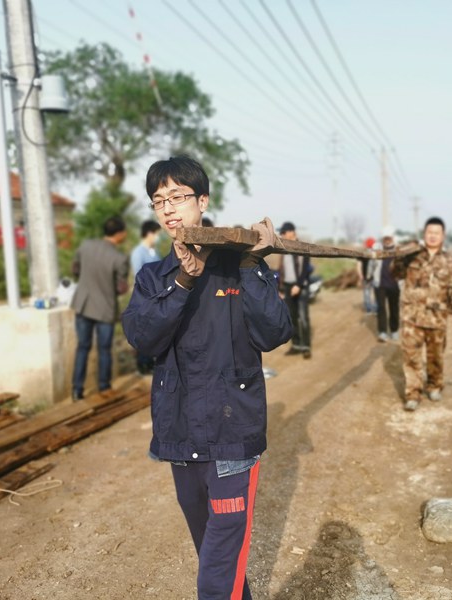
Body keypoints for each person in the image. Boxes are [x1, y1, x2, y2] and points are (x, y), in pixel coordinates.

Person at [122, 156, 292, 600]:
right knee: (216, 556)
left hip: (232, 434)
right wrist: (182, 281)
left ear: (203, 201)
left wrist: (253, 265)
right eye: (159, 200)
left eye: (178, 197)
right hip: (180, 435)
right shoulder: (154, 277)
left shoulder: (238, 266)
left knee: (217, 569)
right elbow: (143, 337)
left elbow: (274, 332)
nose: (169, 208)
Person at [392, 216, 452, 411]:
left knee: (436, 357)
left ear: (443, 236)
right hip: (412, 316)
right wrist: (398, 256)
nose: (432, 236)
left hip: (437, 317)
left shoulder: (450, 261)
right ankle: (413, 393)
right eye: (429, 232)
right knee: (411, 357)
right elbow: (395, 274)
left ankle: (434, 385)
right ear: (424, 234)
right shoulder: (411, 256)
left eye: (436, 233)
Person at [70, 216, 130, 401]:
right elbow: (121, 288)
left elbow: (75, 270)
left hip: (83, 304)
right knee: (104, 349)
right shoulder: (120, 258)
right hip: (105, 308)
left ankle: (77, 390)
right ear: (120, 234)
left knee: (82, 347)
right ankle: (104, 387)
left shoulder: (85, 246)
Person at [130, 220, 162, 374]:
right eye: (157, 234)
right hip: (145, 297)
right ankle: (143, 364)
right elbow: (138, 275)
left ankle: (151, 363)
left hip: (156, 296)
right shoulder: (138, 253)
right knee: (144, 331)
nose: (158, 237)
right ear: (149, 233)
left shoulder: (154, 252)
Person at [277, 221, 312, 359]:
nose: (282, 235)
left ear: (292, 232)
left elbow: (305, 269)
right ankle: (296, 345)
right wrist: (281, 288)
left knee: (303, 318)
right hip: (287, 286)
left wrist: (298, 285)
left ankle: (306, 346)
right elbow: (282, 270)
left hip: (300, 286)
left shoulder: (302, 247)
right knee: (291, 318)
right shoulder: (284, 248)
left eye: (284, 232)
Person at [371, 232, 400, 342]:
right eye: (385, 238)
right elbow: (371, 264)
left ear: (392, 238)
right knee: (381, 308)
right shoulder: (377, 248)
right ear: (382, 238)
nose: (387, 240)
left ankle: (394, 330)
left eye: (389, 238)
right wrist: (369, 276)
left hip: (394, 284)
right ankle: (382, 332)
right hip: (380, 284)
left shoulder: (398, 250)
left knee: (394, 308)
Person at [356, 237, 377, 314]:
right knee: (376, 294)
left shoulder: (362, 254)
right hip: (376, 277)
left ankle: (369, 309)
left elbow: (358, 266)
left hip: (366, 277)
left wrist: (360, 276)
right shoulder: (377, 253)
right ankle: (375, 309)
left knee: (367, 293)